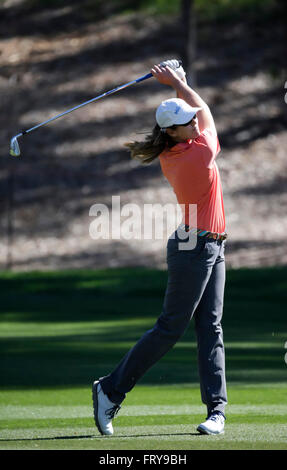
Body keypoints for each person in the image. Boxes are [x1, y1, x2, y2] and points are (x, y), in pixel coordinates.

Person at [92, 62, 228, 436]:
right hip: (193, 247)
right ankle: (110, 389)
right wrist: (180, 82)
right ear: (172, 132)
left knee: (210, 327)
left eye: (191, 119)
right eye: (187, 121)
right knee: (171, 327)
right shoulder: (197, 154)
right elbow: (209, 113)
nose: (195, 122)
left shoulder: (177, 151)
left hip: (211, 246)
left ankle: (217, 411)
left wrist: (177, 86)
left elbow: (200, 113)